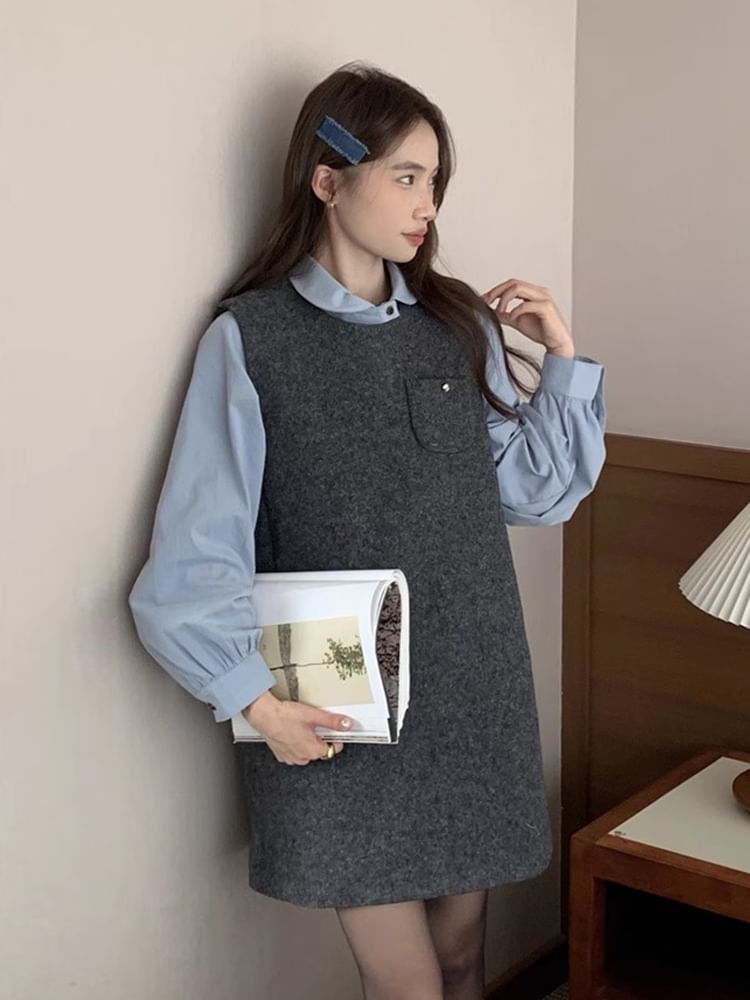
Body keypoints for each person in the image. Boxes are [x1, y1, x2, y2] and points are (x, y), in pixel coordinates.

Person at [128, 60, 606, 1000]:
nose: (428, 205)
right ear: (328, 178)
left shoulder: (455, 324)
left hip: (472, 696)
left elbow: (538, 494)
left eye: (436, 181)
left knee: (464, 964)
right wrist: (256, 704)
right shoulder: (251, 339)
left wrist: (563, 360)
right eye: (407, 176)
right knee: (409, 987)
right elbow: (194, 555)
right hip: (342, 719)